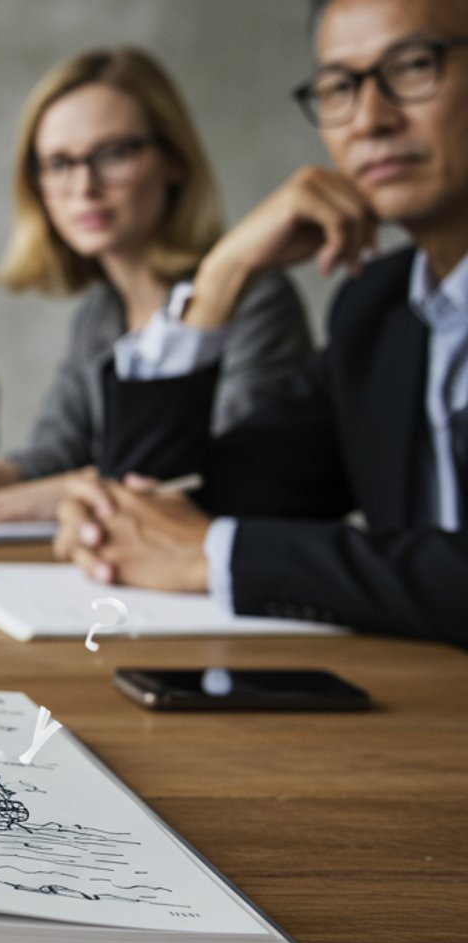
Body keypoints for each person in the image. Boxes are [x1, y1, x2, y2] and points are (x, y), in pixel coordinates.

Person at [55, 0, 468, 647]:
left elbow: (204, 536)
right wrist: (224, 274)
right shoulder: (377, 309)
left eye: (413, 66)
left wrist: (214, 552)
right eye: (339, 87)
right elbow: (173, 497)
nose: (370, 119)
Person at [0, 49, 314, 521]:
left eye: (113, 155)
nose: (84, 186)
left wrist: (53, 496)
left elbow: (214, 483)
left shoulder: (254, 297)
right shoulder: (100, 312)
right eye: (59, 164)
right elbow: (55, 452)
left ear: (175, 161)